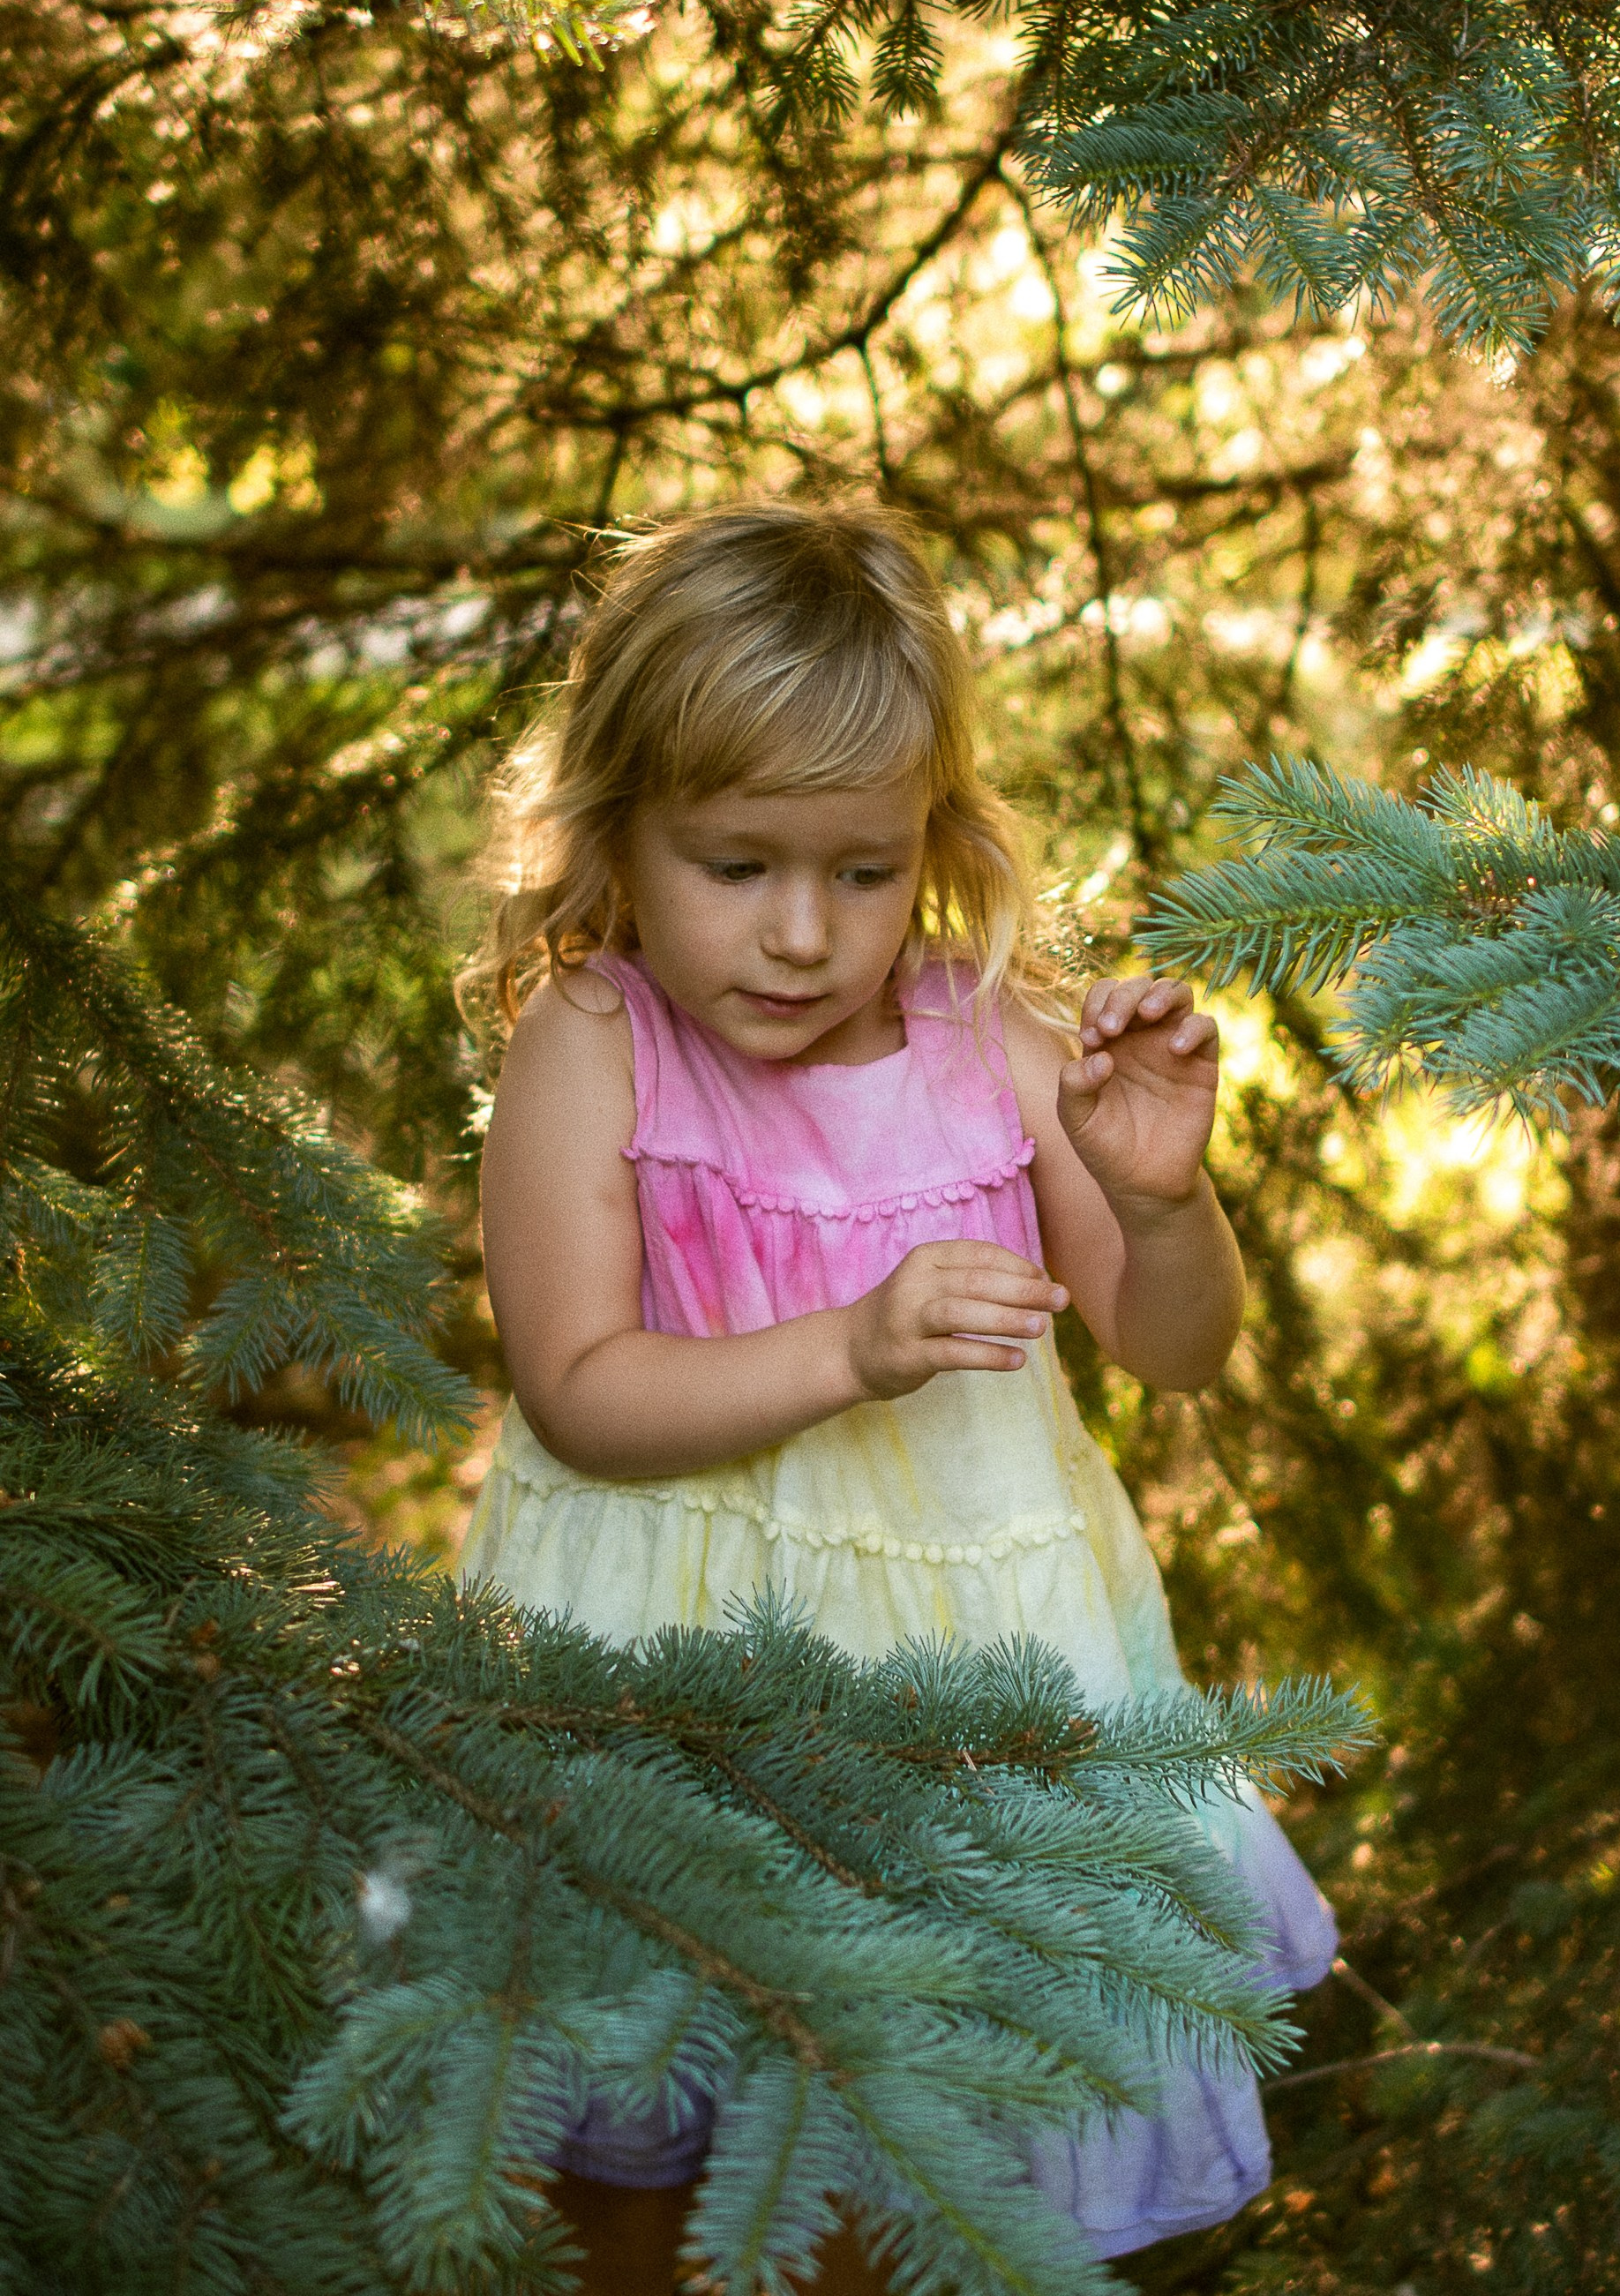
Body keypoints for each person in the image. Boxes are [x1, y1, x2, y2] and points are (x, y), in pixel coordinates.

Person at [458, 502, 1336, 2291]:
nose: (799, 933)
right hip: (684, 1689)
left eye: (859, 872)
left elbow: (1179, 1352)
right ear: (622, 823)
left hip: (975, 1703)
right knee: (660, 2160)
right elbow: (577, 1391)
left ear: (928, 842)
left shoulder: (994, 1041)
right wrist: (847, 1350)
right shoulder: (594, 1045)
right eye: (737, 864)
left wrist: (1164, 1198)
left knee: (936, 2162)